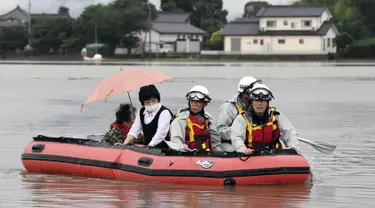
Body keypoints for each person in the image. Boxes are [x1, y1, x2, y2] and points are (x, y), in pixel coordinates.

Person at [230, 83, 300, 155]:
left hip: (275, 155)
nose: (259, 104)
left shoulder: (276, 115)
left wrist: (293, 147)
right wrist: (242, 149)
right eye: (256, 101)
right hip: (251, 156)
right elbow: (236, 138)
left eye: (263, 101)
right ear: (252, 102)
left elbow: (289, 133)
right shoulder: (242, 118)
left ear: (267, 103)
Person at [166, 85, 222, 152]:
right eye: (192, 101)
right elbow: (176, 142)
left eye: (198, 102)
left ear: (205, 104)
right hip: (187, 156)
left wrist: (219, 155)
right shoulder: (180, 120)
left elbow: (215, 142)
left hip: (207, 156)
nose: (194, 104)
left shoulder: (208, 119)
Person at [216, 76, 262, 152]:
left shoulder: (256, 107)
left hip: (250, 141)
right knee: (232, 151)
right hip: (229, 143)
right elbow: (219, 130)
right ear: (244, 93)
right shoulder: (228, 108)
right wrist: (241, 132)